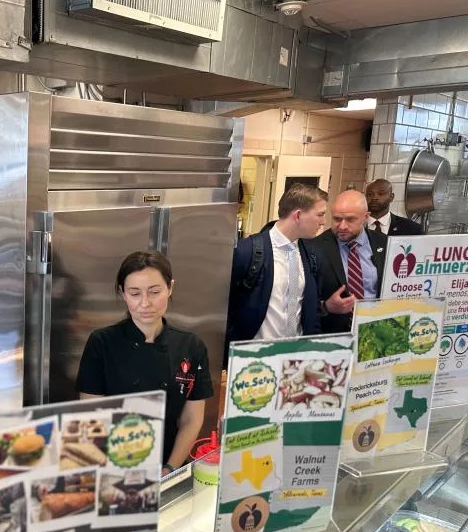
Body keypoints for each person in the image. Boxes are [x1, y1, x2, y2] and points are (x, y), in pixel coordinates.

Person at [76, 251, 212, 475]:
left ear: (170, 288)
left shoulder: (191, 346)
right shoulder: (102, 343)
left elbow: (191, 419)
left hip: (168, 461)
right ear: (123, 293)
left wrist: (169, 469)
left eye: (155, 291)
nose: (145, 303)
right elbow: (92, 417)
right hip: (112, 466)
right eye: (135, 293)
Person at [226, 183, 327, 346]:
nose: (323, 222)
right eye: (320, 214)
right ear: (298, 215)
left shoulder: (312, 255)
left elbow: (311, 310)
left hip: (296, 355)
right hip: (256, 357)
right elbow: (227, 308)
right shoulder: (247, 252)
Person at [309, 190, 388, 334]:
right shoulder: (314, 248)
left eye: (350, 220)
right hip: (332, 336)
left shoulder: (384, 243)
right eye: (337, 219)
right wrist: (326, 306)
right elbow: (302, 302)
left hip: (377, 332)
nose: (342, 226)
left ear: (366, 217)